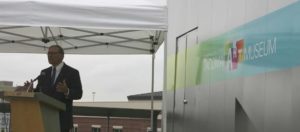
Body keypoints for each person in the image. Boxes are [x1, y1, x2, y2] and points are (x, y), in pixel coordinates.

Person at [26, 45, 83, 132]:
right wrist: (31, 91)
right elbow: (39, 92)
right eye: (48, 53)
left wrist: (67, 91)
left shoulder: (72, 72)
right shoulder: (44, 72)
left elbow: (79, 94)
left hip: (62, 120)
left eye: (53, 53)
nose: (50, 55)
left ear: (62, 55)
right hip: (44, 118)